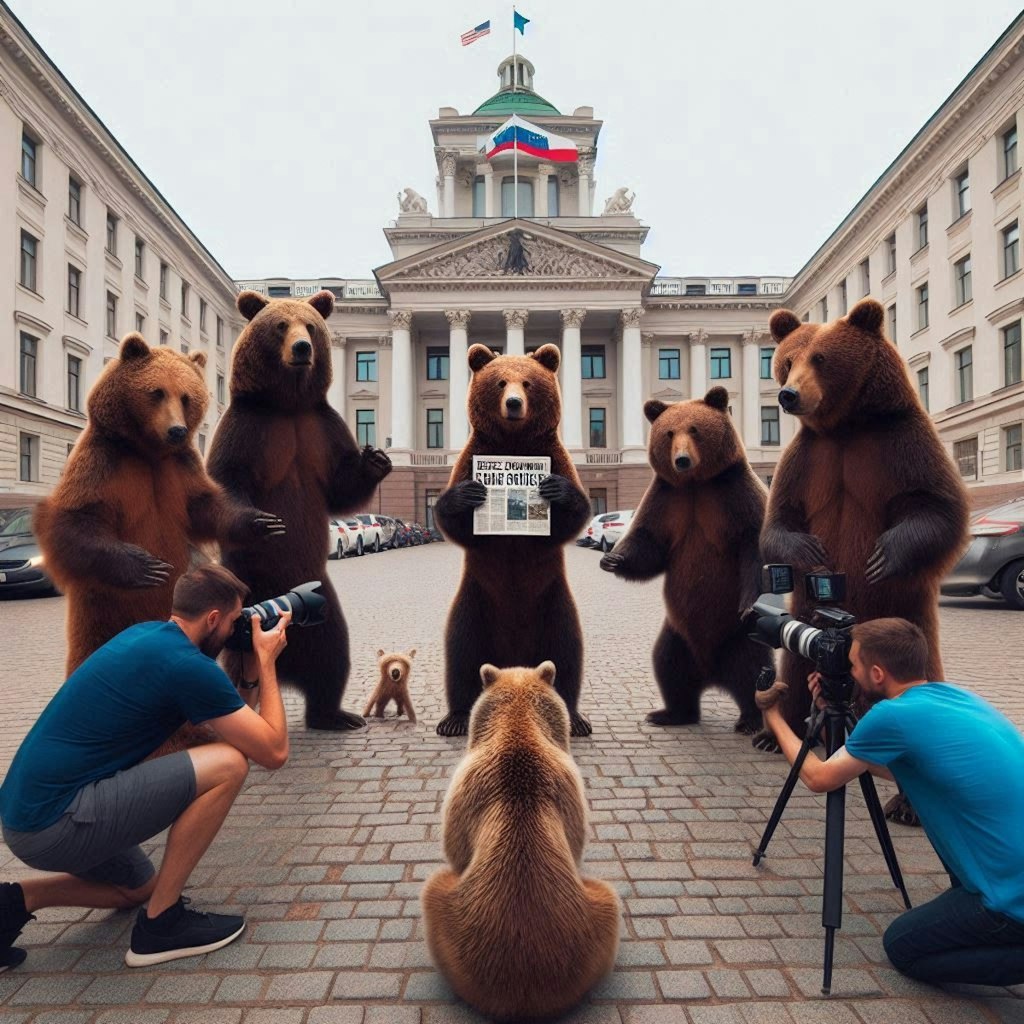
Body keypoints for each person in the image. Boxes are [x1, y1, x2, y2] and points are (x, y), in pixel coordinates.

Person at [0, 563, 292, 970]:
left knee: (137, 887)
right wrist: (267, 661)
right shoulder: (187, 666)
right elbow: (272, 751)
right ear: (211, 619)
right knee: (227, 765)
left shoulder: (148, 637)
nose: (234, 630)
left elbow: (240, 724)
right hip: (55, 823)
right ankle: (160, 926)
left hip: (24, 818)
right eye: (232, 622)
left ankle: (14, 902)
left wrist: (246, 669)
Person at [760, 616, 1024, 986]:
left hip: (1011, 901)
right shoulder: (954, 696)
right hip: (1010, 868)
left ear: (878, 674)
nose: (848, 672)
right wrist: (826, 714)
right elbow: (908, 771)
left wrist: (773, 717)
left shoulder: (891, 716)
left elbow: (818, 777)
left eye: (853, 665)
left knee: (902, 946)